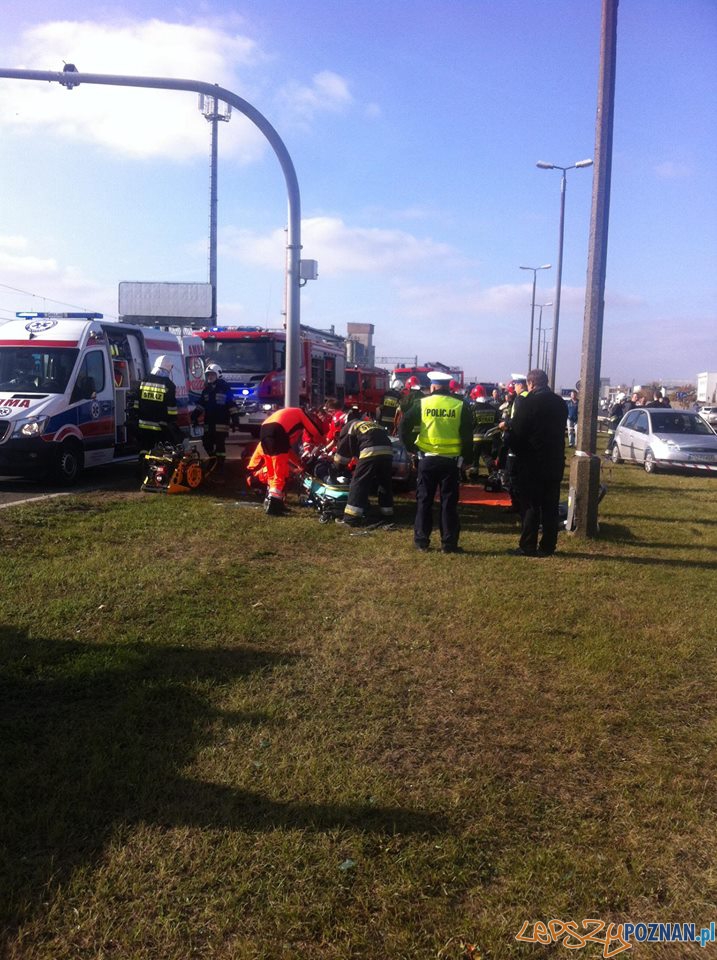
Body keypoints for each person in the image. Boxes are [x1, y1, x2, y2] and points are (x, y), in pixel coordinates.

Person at [400, 370, 473, 553]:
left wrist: (411, 447)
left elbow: (403, 426)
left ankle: (421, 541)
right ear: (448, 386)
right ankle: (448, 543)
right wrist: (468, 459)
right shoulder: (460, 405)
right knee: (449, 503)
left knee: (424, 500)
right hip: (451, 462)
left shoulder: (422, 403)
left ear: (432, 387)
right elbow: (467, 435)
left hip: (427, 459)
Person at [509, 368, 569, 557]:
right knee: (550, 507)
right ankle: (548, 546)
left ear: (531, 384)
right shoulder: (560, 403)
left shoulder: (528, 402)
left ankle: (528, 545)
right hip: (554, 461)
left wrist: (512, 444)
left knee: (531, 506)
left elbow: (518, 433)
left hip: (532, 462)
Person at [259, 405, 325, 513]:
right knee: (280, 472)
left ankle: (275, 502)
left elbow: (287, 450)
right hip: (277, 431)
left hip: (264, 430)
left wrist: (298, 463)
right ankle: (274, 505)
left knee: (272, 470)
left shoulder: (289, 417)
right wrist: (323, 442)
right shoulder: (300, 413)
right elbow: (314, 430)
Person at [334, 409, 394, 526]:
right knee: (384, 482)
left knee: (359, 482)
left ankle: (351, 518)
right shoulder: (368, 423)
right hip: (388, 451)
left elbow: (342, 456)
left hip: (370, 450)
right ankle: (387, 514)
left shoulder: (348, 427)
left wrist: (338, 467)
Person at [191, 362, 240, 476]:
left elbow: (231, 405)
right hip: (209, 422)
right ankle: (213, 460)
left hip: (221, 423)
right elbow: (201, 405)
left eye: (212, 375)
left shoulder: (224, 388)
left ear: (218, 374)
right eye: (208, 375)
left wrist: (235, 419)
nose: (210, 377)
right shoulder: (207, 390)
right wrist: (194, 416)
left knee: (219, 445)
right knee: (206, 443)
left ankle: (220, 464)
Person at [133, 355, 181, 465]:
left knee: (144, 448)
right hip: (160, 424)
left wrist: (136, 415)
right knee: (159, 450)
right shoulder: (169, 385)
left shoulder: (144, 380)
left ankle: (142, 467)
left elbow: (137, 401)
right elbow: (171, 407)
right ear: (168, 368)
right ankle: (154, 472)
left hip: (143, 423)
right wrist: (172, 420)